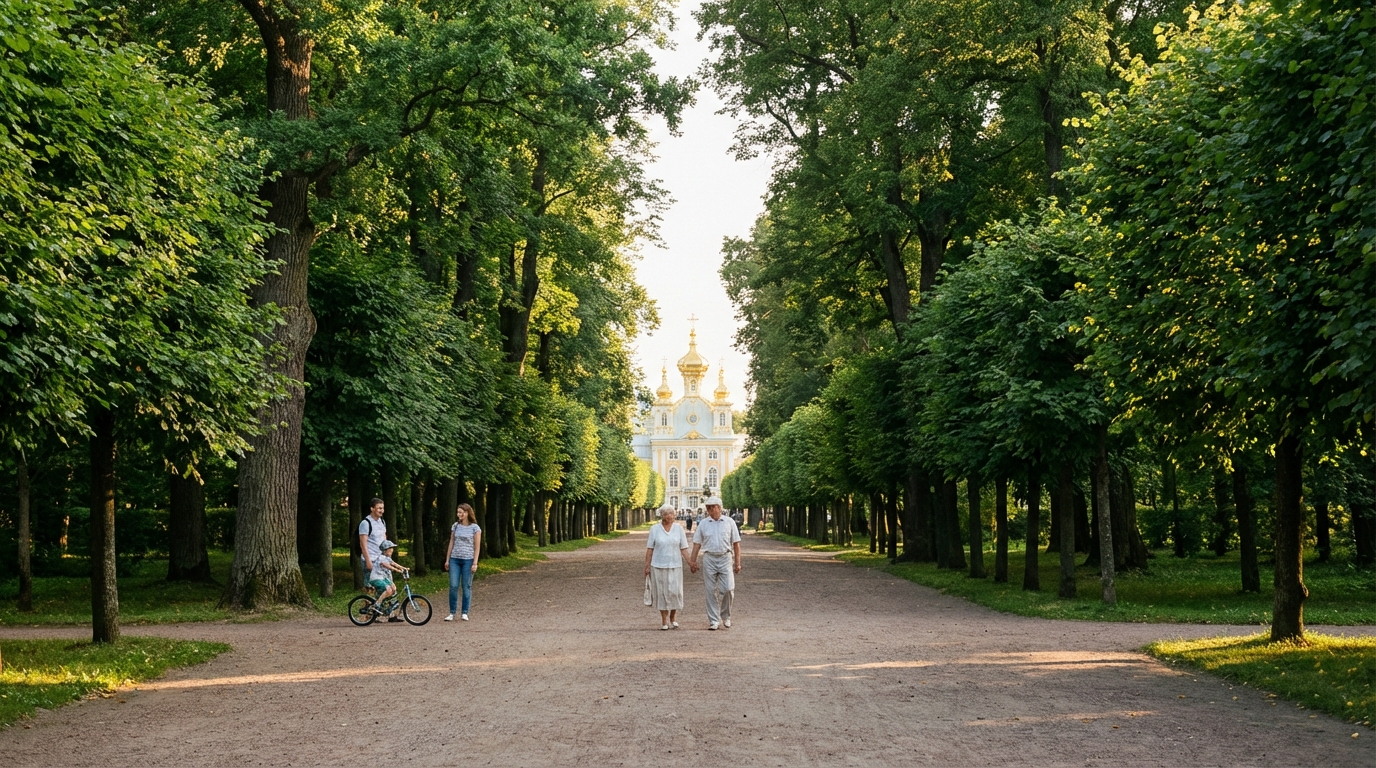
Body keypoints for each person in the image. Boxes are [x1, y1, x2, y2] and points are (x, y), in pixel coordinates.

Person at [689, 496, 741, 630]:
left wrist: (737, 563)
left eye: (712, 507)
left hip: (725, 557)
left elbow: (736, 544)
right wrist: (692, 562)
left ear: (719, 507)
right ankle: (713, 620)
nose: (710, 510)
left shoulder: (729, 522)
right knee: (710, 590)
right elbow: (696, 544)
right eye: (708, 508)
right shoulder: (703, 524)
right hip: (709, 558)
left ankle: (726, 616)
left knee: (728, 588)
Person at [644, 505, 694, 630]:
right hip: (658, 565)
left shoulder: (678, 529)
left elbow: (684, 548)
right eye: (667, 514)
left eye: (672, 513)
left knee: (675, 592)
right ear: (662, 516)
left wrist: (691, 563)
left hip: (675, 565)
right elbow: (650, 549)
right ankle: (664, 620)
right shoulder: (655, 529)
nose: (670, 516)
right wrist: (647, 566)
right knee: (661, 593)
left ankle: (673, 616)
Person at [442, 502, 481, 622]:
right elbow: (451, 542)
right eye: (458, 512)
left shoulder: (475, 528)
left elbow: (477, 547)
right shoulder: (455, 526)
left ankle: (464, 612)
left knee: (466, 586)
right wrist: (447, 559)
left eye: (461, 512)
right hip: (455, 559)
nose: (459, 514)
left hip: (468, 560)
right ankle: (452, 612)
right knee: (453, 585)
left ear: (467, 513)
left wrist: (475, 563)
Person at [369, 540, 408, 622]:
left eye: (392, 549)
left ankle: (388, 610)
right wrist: (397, 570)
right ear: (385, 550)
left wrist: (404, 568)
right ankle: (377, 605)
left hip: (383, 578)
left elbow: (394, 563)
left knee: (393, 588)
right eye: (390, 549)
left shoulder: (388, 558)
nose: (392, 550)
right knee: (389, 590)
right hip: (376, 578)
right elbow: (386, 565)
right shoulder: (381, 558)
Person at [358, 498, 387, 576]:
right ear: (372, 509)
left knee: (388, 584)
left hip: (381, 559)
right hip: (371, 559)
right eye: (379, 508)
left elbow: (384, 537)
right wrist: (368, 561)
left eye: (383, 508)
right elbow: (363, 544)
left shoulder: (382, 521)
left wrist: (386, 555)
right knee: (372, 584)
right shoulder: (365, 523)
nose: (382, 511)